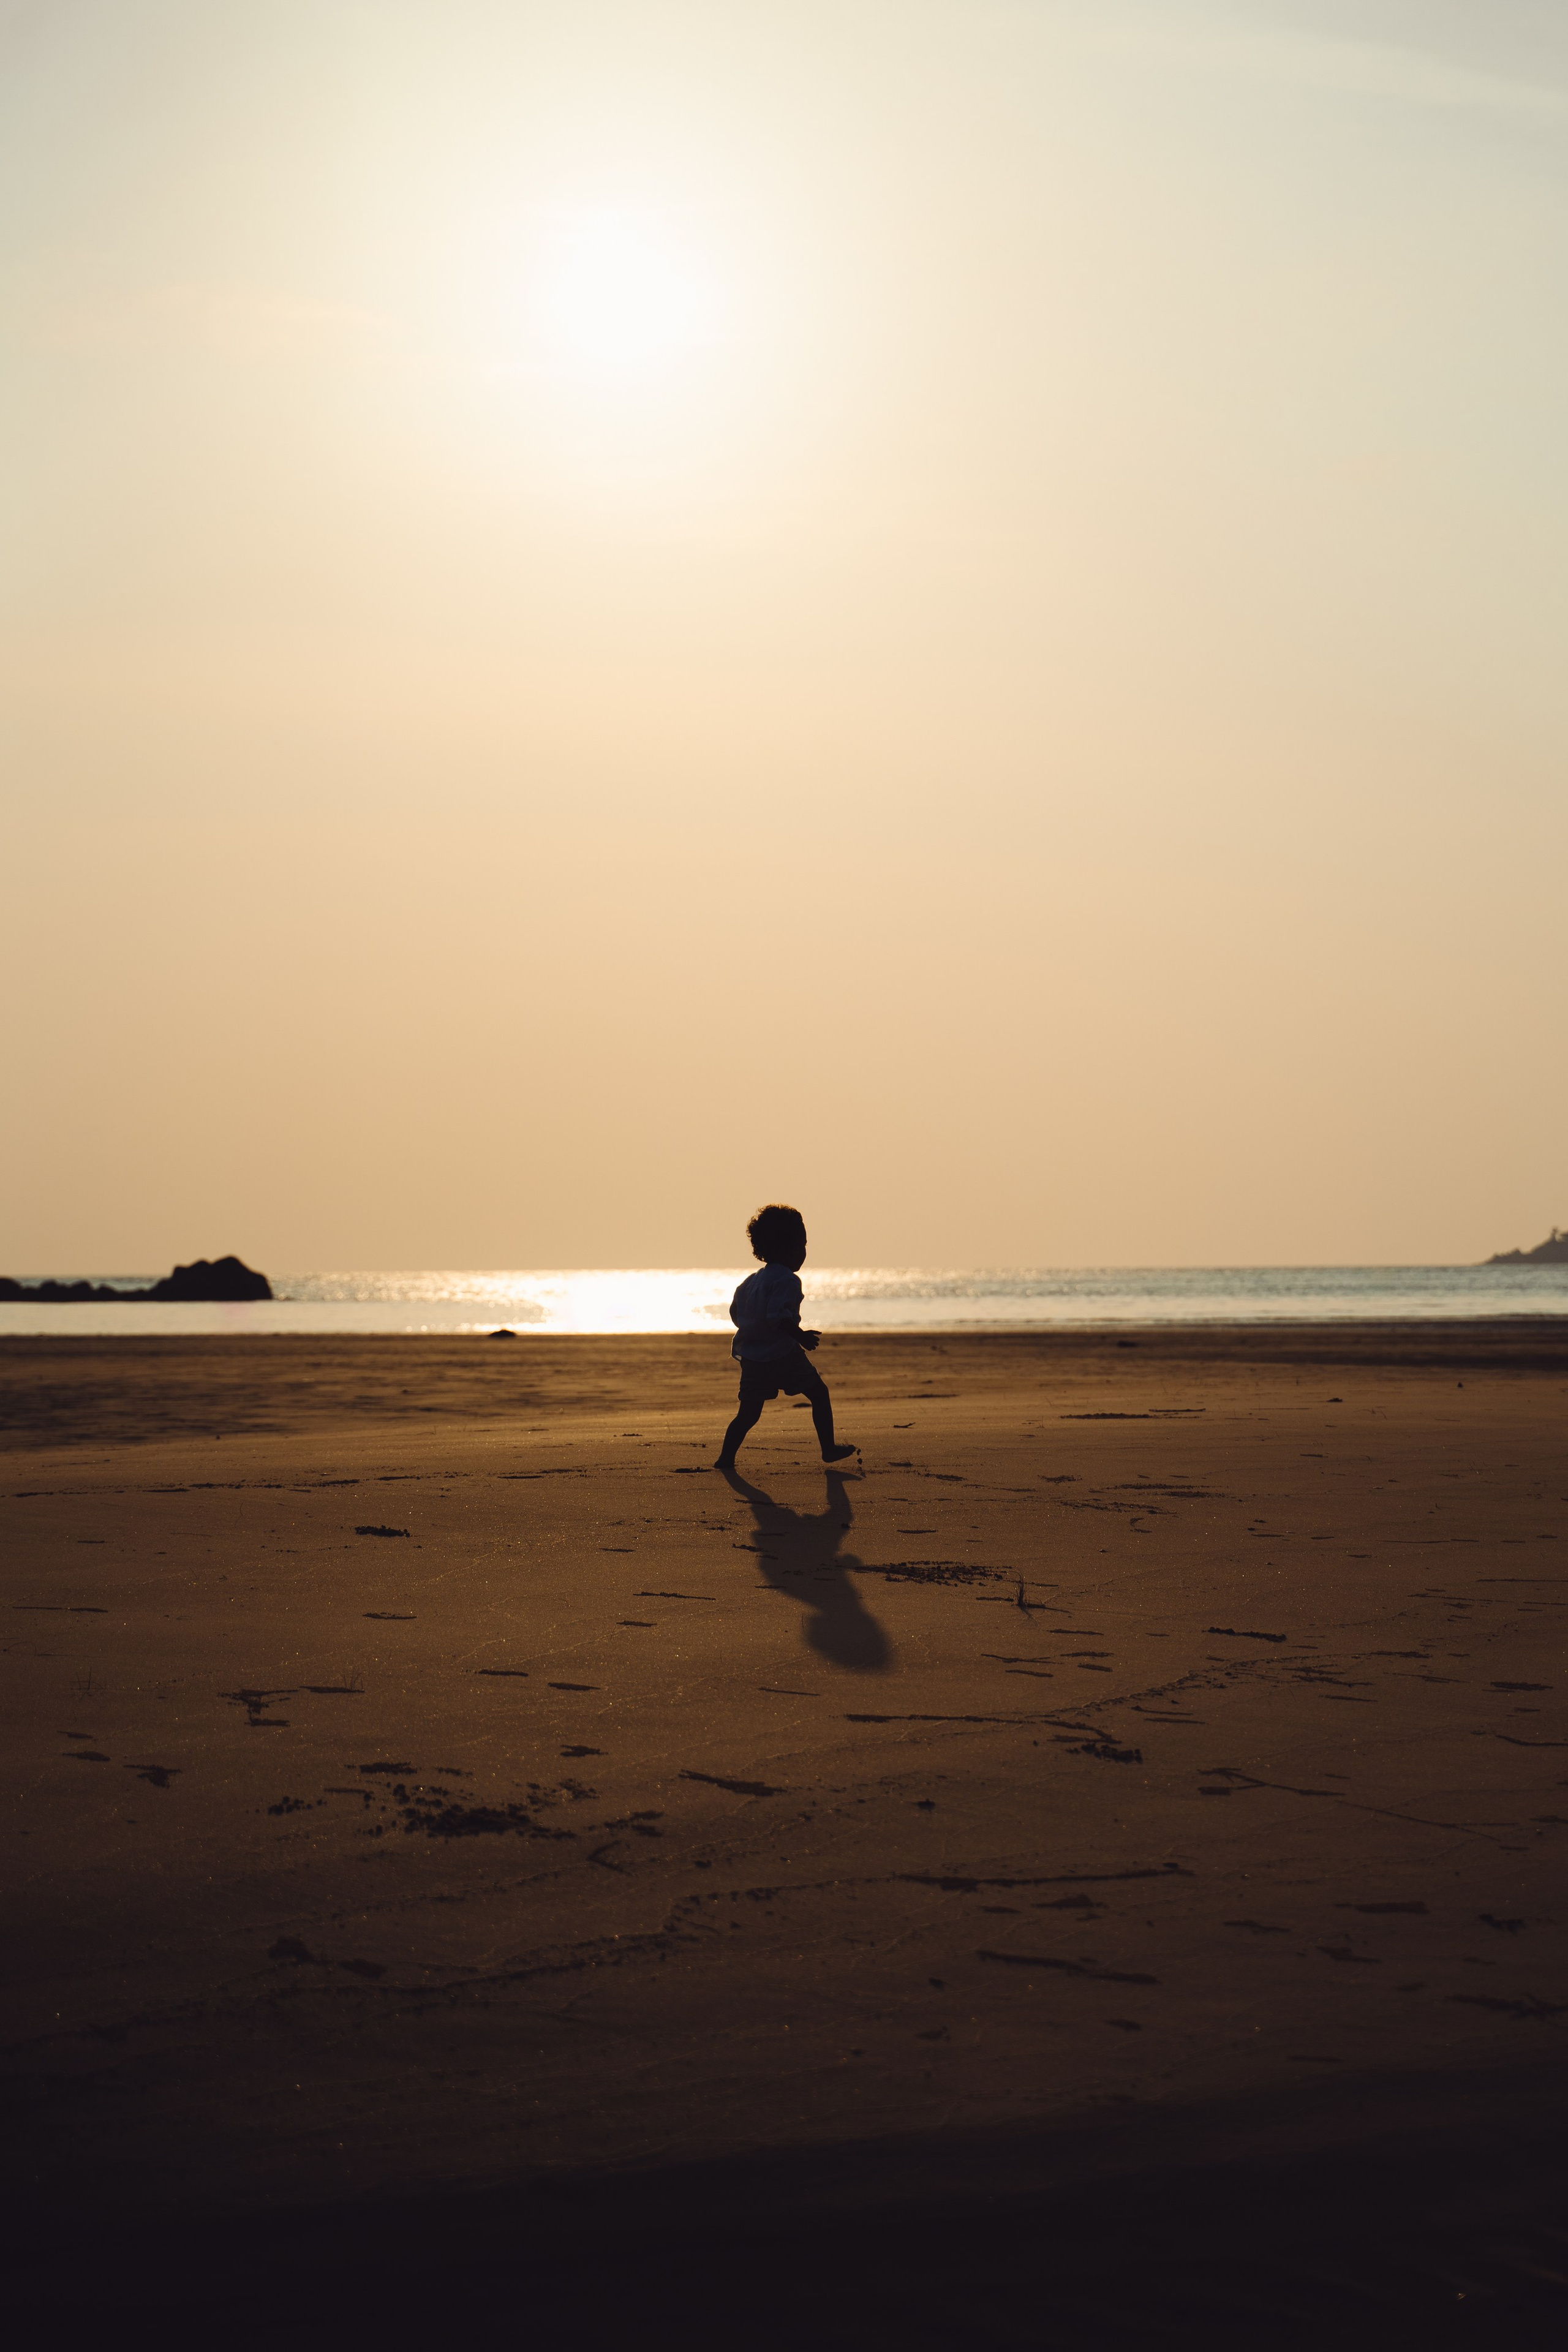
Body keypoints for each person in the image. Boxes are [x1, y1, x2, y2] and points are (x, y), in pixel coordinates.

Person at [715, 1204, 857, 1472]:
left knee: (747, 1414)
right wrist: (800, 1336)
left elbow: (737, 1314)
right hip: (783, 1355)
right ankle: (828, 1448)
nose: (804, 1253)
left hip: (753, 1359)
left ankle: (726, 1457)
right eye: (802, 1245)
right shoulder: (788, 1280)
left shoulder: (750, 1282)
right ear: (789, 1247)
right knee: (819, 1393)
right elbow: (778, 1317)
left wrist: (755, 1335)